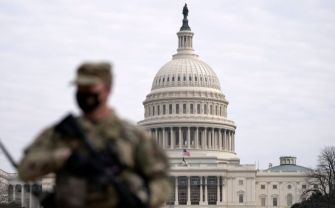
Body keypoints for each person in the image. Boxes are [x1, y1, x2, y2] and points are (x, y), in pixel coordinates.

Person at [18, 62, 171, 208]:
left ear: (107, 90)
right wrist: (63, 157)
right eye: (80, 88)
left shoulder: (134, 137)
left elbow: (163, 181)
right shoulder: (59, 133)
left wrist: (142, 199)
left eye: (90, 87)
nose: (84, 93)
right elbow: (24, 170)